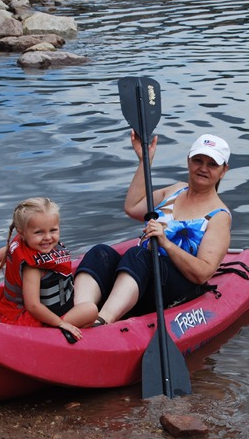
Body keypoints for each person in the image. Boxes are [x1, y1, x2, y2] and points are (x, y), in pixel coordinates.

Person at [73, 131, 232, 325]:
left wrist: (166, 243)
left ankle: (102, 321)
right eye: (198, 160)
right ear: (188, 161)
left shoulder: (219, 216)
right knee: (100, 252)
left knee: (138, 256)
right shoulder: (176, 190)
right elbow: (133, 207)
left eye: (212, 164)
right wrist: (144, 161)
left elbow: (202, 273)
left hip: (175, 285)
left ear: (223, 171)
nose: (203, 168)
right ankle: (80, 313)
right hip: (142, 271)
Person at [0, 197, 98, 340]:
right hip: (29, 321)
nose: (47, 237)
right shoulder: (33, 267)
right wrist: (60, 323)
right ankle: (52, 335)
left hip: (21, 312)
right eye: (39, 232)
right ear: (22, 233)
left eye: (53, 230)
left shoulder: (20, 245)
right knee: (90, 310)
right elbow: (33, 306)